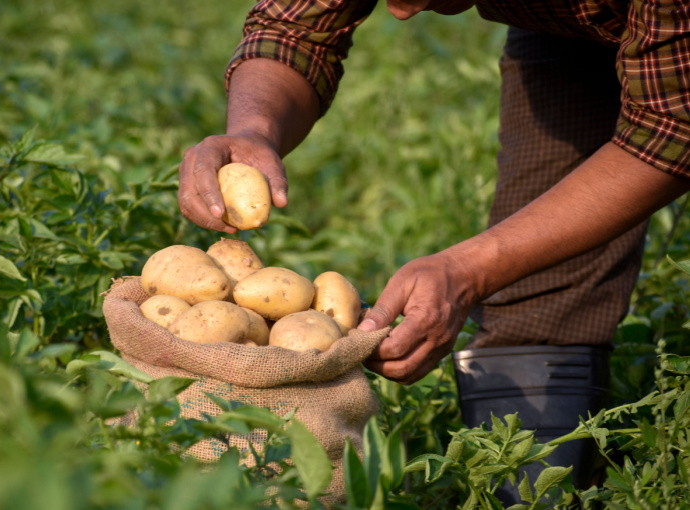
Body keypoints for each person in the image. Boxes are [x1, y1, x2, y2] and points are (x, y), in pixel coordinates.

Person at [177, 0, 690, 502]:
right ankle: (526, 492)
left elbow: (672, 133)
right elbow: (291, 30)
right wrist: (253, 132)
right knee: (536, 288)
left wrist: (468, 268)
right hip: (565, 23)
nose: (399, 14)